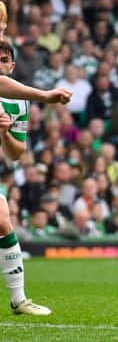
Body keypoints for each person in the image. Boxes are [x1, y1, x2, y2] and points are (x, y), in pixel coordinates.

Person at [0, 37, 72, 315]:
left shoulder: (18, 103)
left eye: (5, 60)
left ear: (13, 65)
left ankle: (18, 300)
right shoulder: (22, 93)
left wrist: (4, 134)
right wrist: (44, 95)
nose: (0, 65)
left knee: (3, 221)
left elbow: (17, 153)